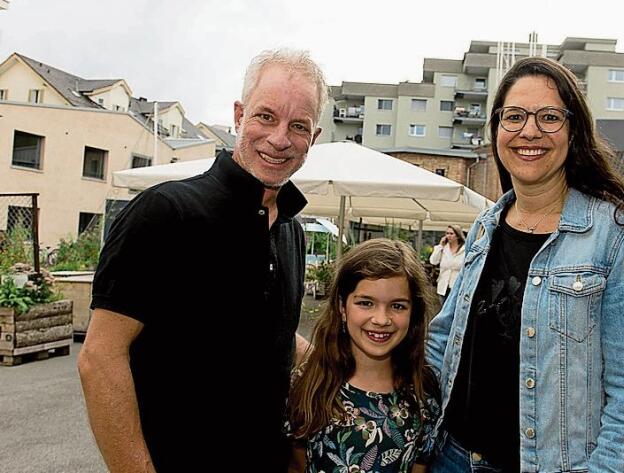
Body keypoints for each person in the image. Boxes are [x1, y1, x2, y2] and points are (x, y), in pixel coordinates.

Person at [77, 49, 327, 472]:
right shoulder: (166, 213)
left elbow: (275, 336)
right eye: (266, 117)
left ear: (313, 138)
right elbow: (100, 358)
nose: (280, 138)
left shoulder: (291, 232)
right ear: (239, 115)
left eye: (298, 126)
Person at [425, 57, 624, 473]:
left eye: (549, 117)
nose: (529, 131)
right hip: (452, 457)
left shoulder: (618, 235)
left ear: (574, 131)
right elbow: (445, 340)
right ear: (496, 128)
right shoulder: (486, 225)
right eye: (514, 117)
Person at [286, 239, 440, 473]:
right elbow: (296, 466)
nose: (381, 319)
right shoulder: (308, 383)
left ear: (414, 313)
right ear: (342, 307)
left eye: (397, 306)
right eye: (366, 303)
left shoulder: (424, 394)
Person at [428, 225, 465, 306]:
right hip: (443, 285)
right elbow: (433, 261)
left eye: (451, 233)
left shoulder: (464, 249)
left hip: (457, 285)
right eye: (447, 233)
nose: (448, 236)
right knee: (442, 310)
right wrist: (440, 246)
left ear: (458, 236)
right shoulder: (443, 248)